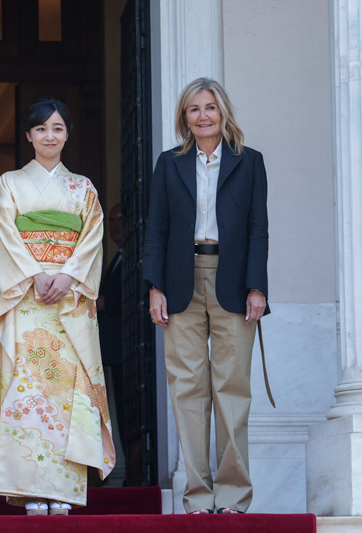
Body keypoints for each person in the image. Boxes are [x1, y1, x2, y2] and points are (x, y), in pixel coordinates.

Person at [0, 98, 115, 516]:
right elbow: (3, 234)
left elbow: (92, 238)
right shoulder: (9, 183)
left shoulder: (83, 188)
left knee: (66, 390)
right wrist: (35, 274)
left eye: (57, 128)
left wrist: (68, 275)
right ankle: (28, 487)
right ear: (29, 136)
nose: (49, 136)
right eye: (41, 129)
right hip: (25, 297)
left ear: (67, 134)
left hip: (67, 301)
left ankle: (64, 489)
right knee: (26, 385)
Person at [142, 78, 268, 515]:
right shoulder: (169, 164)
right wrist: (154, 286)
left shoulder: (249, 163)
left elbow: (258, 228)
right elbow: (156, 228)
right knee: (187, 390)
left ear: (223, 112)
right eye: (193, 109)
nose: (203, 116)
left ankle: (233, 499)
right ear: (185, 118)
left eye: (210, 107)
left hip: (233, 281)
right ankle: (197, 498)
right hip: (180, 281)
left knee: (232, 389)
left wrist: (258, 287)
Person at [96, 204, 126, 459]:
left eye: (120, 219)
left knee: (129, 414)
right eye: (111, 220)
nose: (115, 225)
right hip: (114, 349)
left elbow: (118, 300)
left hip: (126, 348)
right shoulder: (118, 257)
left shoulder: (130, 258)